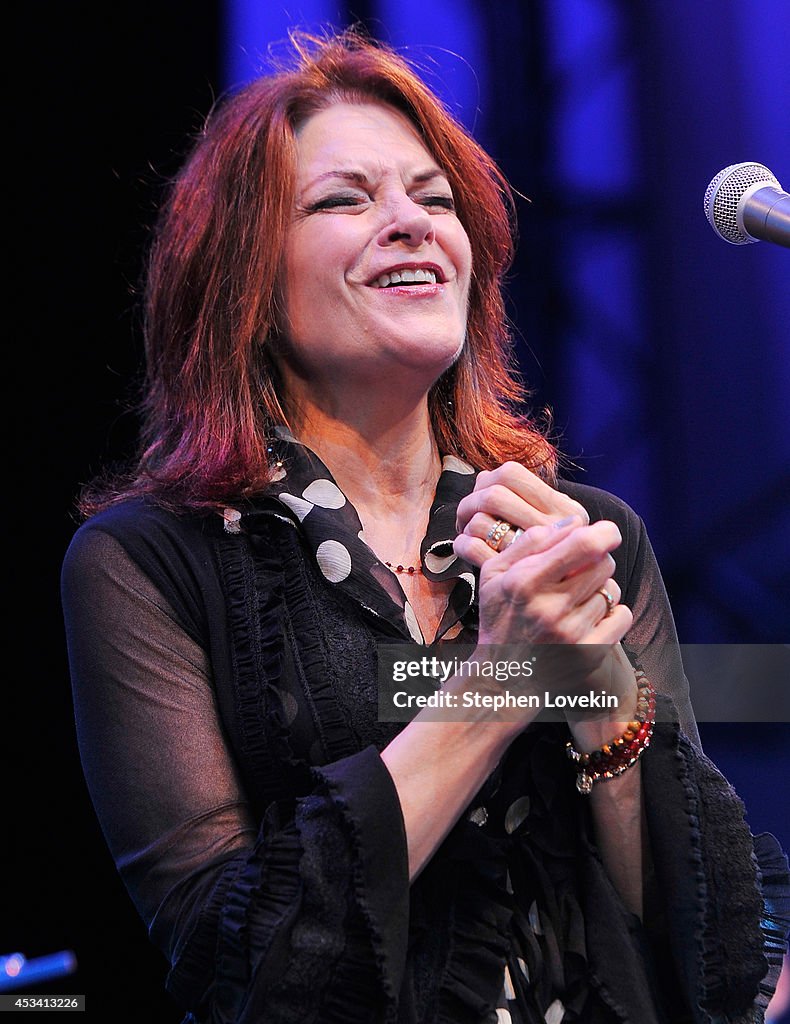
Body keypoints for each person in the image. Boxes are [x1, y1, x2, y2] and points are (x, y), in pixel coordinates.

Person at [61, 28, 788, 1024]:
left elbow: (716, 953)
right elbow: (248, 971)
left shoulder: (582, 533)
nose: (410, 222)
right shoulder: (148, 562)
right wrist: (503, 672)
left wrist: (597, 691)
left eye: (433, 198)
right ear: (245, 285)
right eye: (345, 199)